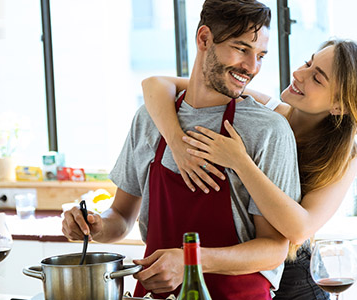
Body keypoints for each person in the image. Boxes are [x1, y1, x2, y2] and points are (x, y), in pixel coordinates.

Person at [62, 0, 300, 299]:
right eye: (241, 49)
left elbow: (274, 249)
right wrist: (94, 226)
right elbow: (121, 217)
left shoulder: (267, 130)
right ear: (204, 39)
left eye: (261, 55)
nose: (252, 68)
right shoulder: (150, 118)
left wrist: (190, 261)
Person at [141, 39, 357, 299]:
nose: (299, 74)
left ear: (339, 106)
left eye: (317, 78)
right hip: (243, 272)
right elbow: (155, 84)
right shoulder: (261, 111)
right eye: (308, 63)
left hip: (296, 282)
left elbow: (299, 229)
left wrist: (240, 161)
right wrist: (176, 141)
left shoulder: (346, 156)